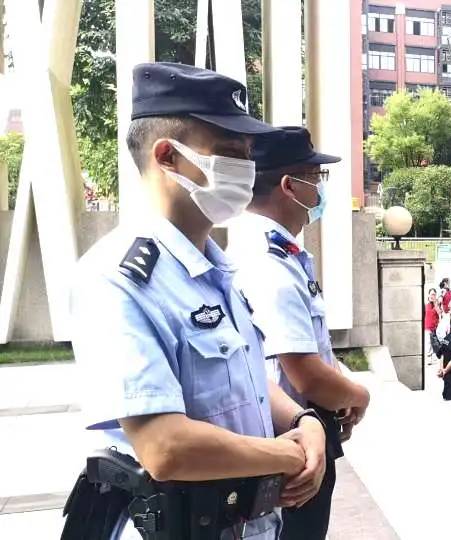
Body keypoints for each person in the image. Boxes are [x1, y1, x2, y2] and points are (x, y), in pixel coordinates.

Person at [67, 63, 324, 539]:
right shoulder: (117, 279)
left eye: (247, 155)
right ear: (168, 156)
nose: (247, 170)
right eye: (229, 153)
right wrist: (289, 454)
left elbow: (245, 377)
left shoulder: (216, 270)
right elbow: (165, 446)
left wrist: (304, 421)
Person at [231, 126, 372, 538]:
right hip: (292, 440)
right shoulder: (268, 263)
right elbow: (304, 371)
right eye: (316, 178)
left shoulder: (282, 253)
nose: (320, 190)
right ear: (290, 186)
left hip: (303, 428)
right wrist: (358, 395)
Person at [424, 288, 440, 365]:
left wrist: (436, 303)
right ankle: (429, 357)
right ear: (429, 295)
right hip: (427, 326)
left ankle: (436, 355)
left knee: (436, 342)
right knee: (428, 342)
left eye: (434, 294)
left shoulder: (437, 304)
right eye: (431, 294)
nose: (432, 296)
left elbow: (440, 313)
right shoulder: (426, 304)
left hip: (436, 327)